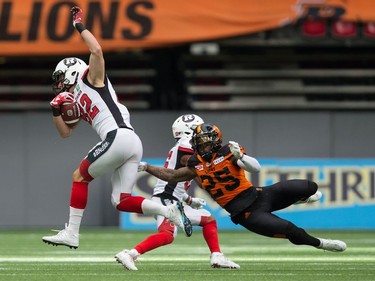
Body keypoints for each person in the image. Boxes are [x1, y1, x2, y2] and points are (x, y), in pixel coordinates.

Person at [42, 6, 192, 250]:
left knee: (79, 177)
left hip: (118, 137)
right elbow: (65, 133)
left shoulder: (89, 78)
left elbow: (97, 50)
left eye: (61, 78)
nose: (59, 85)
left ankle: (72, 232)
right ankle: (168, 210)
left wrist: (79, 25)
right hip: (130, 142)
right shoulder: (77, 98)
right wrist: (55, 110)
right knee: (120, 201)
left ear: (71, 72)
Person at [138, 123, 347, 252]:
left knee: (310, 186)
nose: (202, 146)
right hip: (246, 214)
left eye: (205, 142)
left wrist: (242, 157)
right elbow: (172, 175)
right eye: (199, 142)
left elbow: (255, 168)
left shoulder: (229, 151)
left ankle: (301, 198)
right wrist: (146, 167)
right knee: (291, 230)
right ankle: (321, 244)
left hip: (260, 195)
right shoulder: (195, 162)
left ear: (216, 140)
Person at [115, 114, 239, 270]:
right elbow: (195, 168)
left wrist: (188, 200)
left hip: (173, 198)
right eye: (199, 131)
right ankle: (130, 254)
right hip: (166, 200)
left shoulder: (185, 147)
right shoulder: (186, 145)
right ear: (191, 130)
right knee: (167, 234)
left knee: (209, 220)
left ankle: (217, 256)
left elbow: (188, 175)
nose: (203, 137)